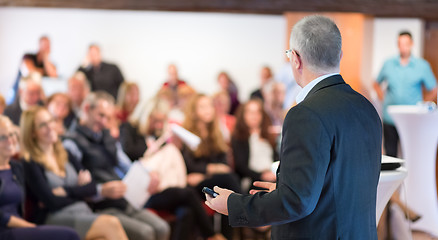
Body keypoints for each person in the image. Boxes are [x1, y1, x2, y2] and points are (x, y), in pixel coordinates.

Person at [205, 15, 382, 239]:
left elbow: (297, 201)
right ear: (340, 55)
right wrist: (281, 193)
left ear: (296, 59)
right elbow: (341, 186)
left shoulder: (305, 114)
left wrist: (233, 204)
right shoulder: (366, 107)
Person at [63, 91, 170, 240]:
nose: (104, 122)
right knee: (145, 234)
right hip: (99, 205)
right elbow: (76, 185)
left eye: (108, 117)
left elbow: (126, 165)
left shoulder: (106, 136)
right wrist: (101, 191)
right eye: (101, 115)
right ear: (87, 109)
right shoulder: (71, 142)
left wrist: (148, 174)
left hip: (124, 199)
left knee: (162, 228)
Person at [120, 97, 226, 240]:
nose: (158, 125)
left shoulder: (160, 133)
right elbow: (129, 152)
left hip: (165, 185)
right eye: (155, 120)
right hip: (146, 189)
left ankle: (212, 235)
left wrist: (174, 144)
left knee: (187, 211)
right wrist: (155, 147)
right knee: (189, 194)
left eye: (161, 121)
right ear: (147, 116)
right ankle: (212, 235)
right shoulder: (129, 128)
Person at [20, 106, 129, 240]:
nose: (50, 127)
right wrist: (80, 191)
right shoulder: (29, 162)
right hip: (55, 218)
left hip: (82, 211)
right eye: (43, 125)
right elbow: (51, 202)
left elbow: (91, 187)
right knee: (111, 223)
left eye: (51, 121)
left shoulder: (65, 153)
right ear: (32, 132)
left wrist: (66, 191)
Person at [0, 115, 80, 240]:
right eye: (3, 137)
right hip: (5, 231)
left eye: (11, 134)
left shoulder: (16, 167)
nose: (10, 140)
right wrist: (30, 226)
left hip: (21, 229)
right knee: (70, 235)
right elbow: (2, 217)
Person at [181, 93, 241, 239]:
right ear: (194, 111)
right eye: (202, 107)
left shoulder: (215, 132)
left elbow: (224, 164)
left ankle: (226, 234)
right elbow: (189, 165)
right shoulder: (187, 133)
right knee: (230, 181)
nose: (208, 110)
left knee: (228, 187)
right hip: (195, 186)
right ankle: (240, 215)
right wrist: (212, 169)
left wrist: (206, 172)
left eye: (209, 106)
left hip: (211, 180)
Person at [374, 31, 437, 157]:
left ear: (411, 44)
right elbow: (376, 83)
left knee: (410, 154)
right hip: (390, 118)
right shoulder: (388, 64)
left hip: (411, 119)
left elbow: (434, 88)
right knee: (390, 155)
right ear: (398, 45)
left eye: (406, 44)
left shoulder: (422, 66)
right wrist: (382, 97)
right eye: (400, 44)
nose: (403, 47)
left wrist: (423, 103)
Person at [231, 99, 277, 192]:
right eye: (250, 112)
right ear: (243, 115)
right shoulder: (239, 137)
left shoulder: (268, 136)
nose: (254, 116)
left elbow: (277, 158)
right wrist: (262, 175)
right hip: (252, 179)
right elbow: (241, 166)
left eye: (257, 112)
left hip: (272, 176)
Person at [7, 36, 57, 105]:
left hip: (35, 94)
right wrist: (44, 71)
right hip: (20, 91)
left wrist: (45, 58)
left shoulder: (50, 64)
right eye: (44, 45)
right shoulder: (28, 56)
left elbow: (53, 76)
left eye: (48, 45)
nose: (46, 48)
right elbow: (31, 72)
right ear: (39, 45)